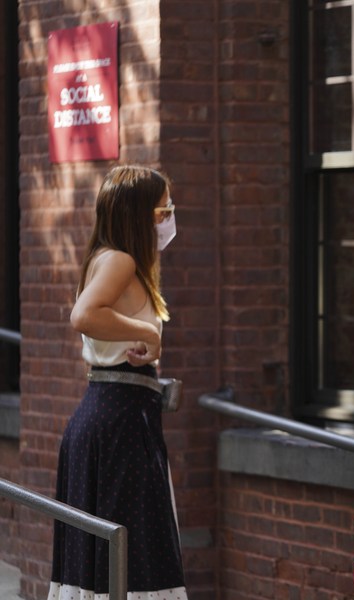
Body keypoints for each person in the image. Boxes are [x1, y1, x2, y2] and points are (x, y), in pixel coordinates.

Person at [48, 165, 187, 600]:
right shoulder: (121, 260)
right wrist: (148, 333)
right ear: (138, 213)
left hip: (113, 416)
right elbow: (84, 316)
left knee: (109, 560)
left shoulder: (108, 258)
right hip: (120, 422)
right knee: (133, 560)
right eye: (163, 210)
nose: (168, 218)